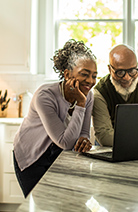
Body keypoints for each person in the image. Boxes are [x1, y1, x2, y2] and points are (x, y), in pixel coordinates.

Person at [13, 39, 97, 198]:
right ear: (67, 74)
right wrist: (80, 104)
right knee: (40, 205)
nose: (91, 81)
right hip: (32, 156)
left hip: (58, 155)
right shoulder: (45, 96)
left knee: (64, 203)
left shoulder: (88, 96)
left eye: (94, 76)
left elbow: (83, 133)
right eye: (84, 74)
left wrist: (84, 140)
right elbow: (65, 142)